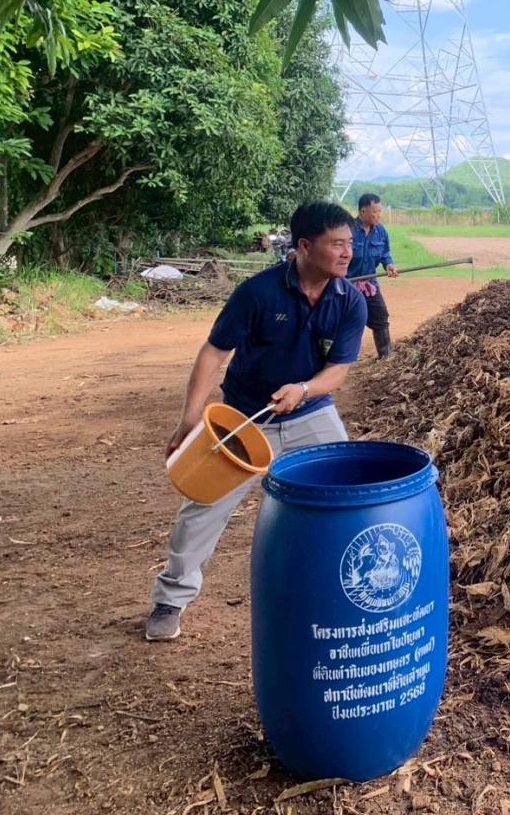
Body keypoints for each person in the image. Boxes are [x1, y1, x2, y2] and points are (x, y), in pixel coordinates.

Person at [144, 201, 367, 641]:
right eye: (337, 244)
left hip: (311, 414)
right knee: (205, 505)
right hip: (246, 419)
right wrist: (190, 419)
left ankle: (343, 595)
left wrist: (303, 390)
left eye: (350, 244)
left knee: (344, 497)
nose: (348, 253)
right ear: (304, 246)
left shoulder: (349, 301)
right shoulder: (258, 293)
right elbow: (214, 353)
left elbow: (337, 373)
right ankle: (171, 599)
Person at [349, 193, 398, 360]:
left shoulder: (381, 231)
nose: (379, 215)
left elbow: (385, 253)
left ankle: (385, 355)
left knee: (380, 317)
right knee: (346, 321)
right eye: (375, 211)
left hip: (369, 284)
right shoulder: (348, 231)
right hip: (346, 285)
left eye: (380, 211)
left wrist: (389, 265)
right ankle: (341, 359)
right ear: (363, 211)